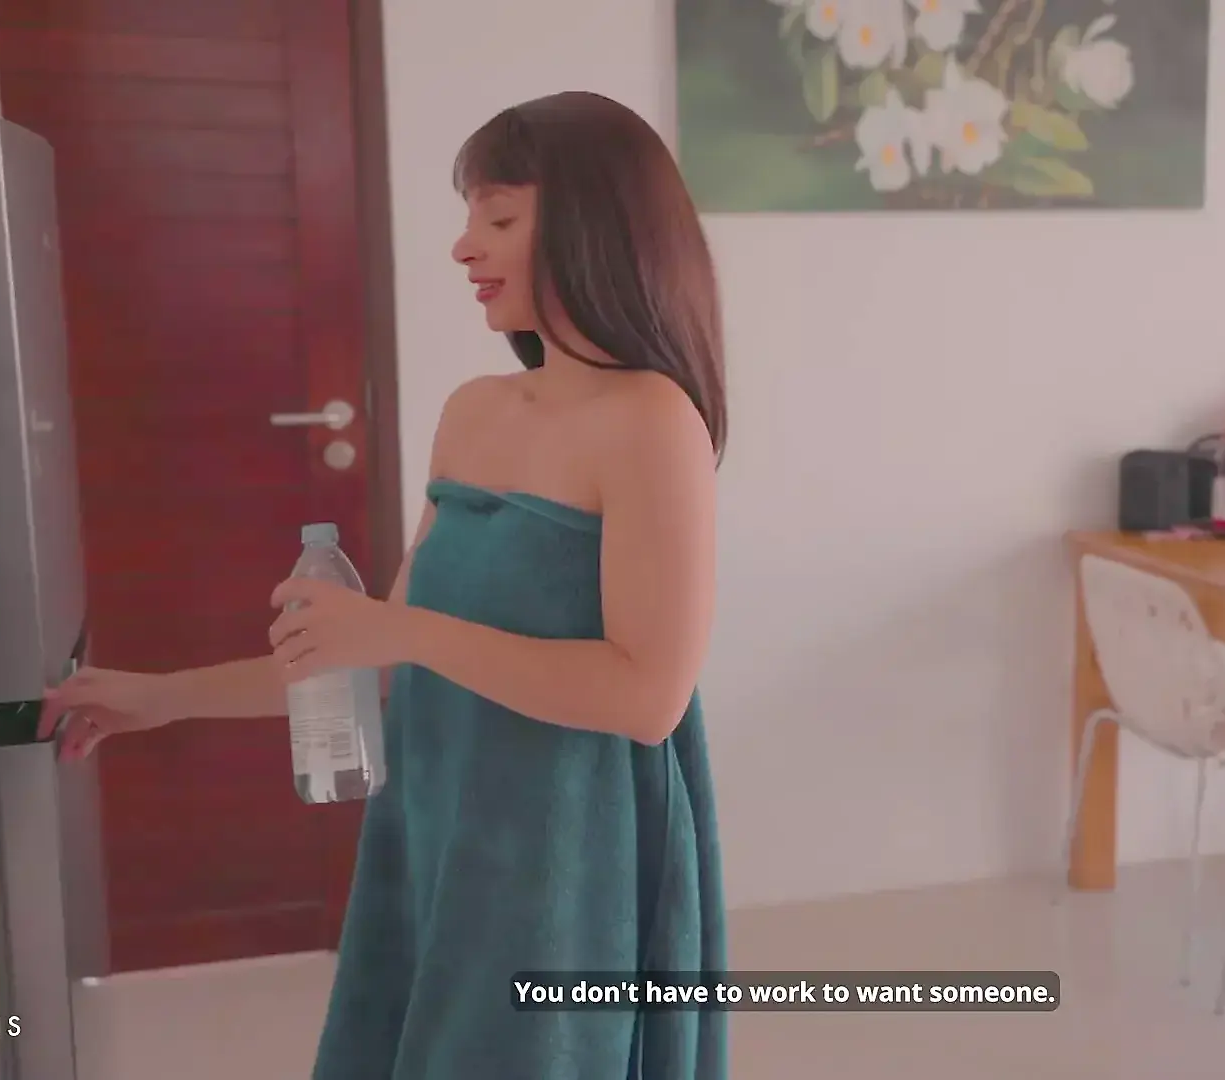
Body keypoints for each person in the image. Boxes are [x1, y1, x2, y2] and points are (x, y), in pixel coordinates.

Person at [38, 91, 729, 1080]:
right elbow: (375, 654)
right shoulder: (475, 412)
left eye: (498, 217)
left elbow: (647, 698)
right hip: (436, 834)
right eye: (469, 217)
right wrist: (160, 698)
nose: (464, 246)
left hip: (565, 863)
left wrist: (401, 634)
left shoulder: (653, 422)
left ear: (591, 226)